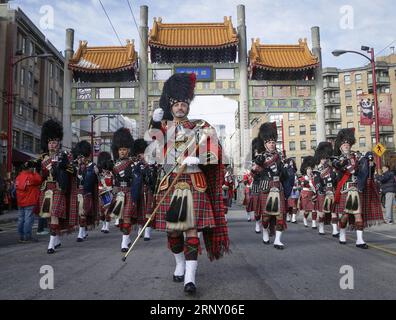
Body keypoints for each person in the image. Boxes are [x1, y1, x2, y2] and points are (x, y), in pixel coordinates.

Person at [149, 73, 229, 295]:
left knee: (192, 230)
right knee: (174, 232)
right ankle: (180, 264)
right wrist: (154, 120)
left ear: (188, 105)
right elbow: (152, 142)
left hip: (194, 182)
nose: (181, 107)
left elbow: (216, 149)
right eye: (177, 104)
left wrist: (200, 157)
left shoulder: (200, 127)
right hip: (171, 183)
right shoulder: (163, 128)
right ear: (171, 106)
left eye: (184, 103)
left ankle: (190, 278)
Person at [38, 119, 75, 254]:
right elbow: (39, 175)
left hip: (58, 188)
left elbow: (72, 171)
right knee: (49, 216)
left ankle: (51, 244)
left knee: (54, 214)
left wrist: (62, 166)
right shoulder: (42, 158)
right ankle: (57, 239)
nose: (52, 145)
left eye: (54, 142)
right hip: (46, 189)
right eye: (50, 142)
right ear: (46, 144)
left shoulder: (64, 157)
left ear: (59, 143)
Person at [332, 128, 373, 249]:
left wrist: (369, 161)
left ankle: (360, 240)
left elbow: (363, 171)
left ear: (350, 145)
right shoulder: (336, 158)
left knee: (358, 215)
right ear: (340, 146)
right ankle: (342, 234)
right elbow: (338, 166)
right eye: (344, 144)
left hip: (356, 188)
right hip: (345, 189)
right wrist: (343, 162)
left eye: (348, 144)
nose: (346, 146)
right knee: (345, 215)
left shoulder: (357, 157)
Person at [253, 122, 288, 249]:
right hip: (266, 187)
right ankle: (265, 231)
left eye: (273, 142)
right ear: (265, 144)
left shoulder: (280, 157)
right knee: (266, 216)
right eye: (269, 142)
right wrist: (258, 165)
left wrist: (284, 168)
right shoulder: (261, 157)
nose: (272, 144)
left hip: (278, 187)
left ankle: (278, 240)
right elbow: (254, 173)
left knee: (280, 215)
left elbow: (286, 176)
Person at [110, 128, 136, 252]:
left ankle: (124, 243)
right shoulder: (114, 165)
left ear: (128, 150)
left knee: (127, 217)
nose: (122, 152)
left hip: (129, 192)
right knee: (120, 219)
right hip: (119, 192)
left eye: (124, 149)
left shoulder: (133, 164)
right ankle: (127, 238)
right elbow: (114, 181)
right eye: (120, 150)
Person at [70, 141, 98, 242]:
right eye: (79, 156)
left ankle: (80, 233)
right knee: (78, 214)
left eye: (82, 156)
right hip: (76, 192)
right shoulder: (74, 166)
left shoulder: (91, 166)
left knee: (83, 213)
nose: (81, 158)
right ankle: (83, 230)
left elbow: (92, 180)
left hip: (86, 192)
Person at [313, 142, 338, 236]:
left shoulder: (332, 169)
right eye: (323, 158)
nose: (325, 160)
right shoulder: (317, 171)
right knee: (322, 213)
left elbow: (335, 180)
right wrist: (320, 190)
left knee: (334, 212)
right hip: (322, 193)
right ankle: (321, 227)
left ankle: (335, 230)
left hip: (332, 191)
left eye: (326, 158)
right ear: (319, 158)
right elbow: (317, 182)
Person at [15, 161, 42, 242]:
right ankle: (27, 237)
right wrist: (35, 172)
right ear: (30, 168)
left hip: (20, 201)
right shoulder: (31, 176)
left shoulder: (18, 177)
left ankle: (21, 236)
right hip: (29, 201)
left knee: (21, 219)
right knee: (28, 219)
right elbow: (39, 180)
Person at [97, 151, 114, 234]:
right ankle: (103, 224)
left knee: (107, 211)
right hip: (100, 193)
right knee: (101, 212)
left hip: (108, 193)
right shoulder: (99, 174)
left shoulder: (111, 174)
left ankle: (107, 226)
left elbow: (113, 184)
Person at [299, 156, 317, 229]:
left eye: (310, 169)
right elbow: (301, 185)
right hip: (305, 194)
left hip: (312, 194)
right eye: (308, 169)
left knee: (314, 209)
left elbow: (316, 185)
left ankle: (314, 223)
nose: (309, 170)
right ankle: (305, 218)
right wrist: (307, 181)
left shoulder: (314, 177)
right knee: (307, 210)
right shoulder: (302, 178)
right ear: (305, 170)